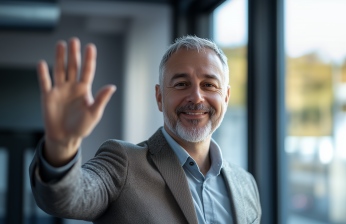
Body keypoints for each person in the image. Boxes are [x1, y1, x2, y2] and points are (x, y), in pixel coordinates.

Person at [29, 36, 261, 224]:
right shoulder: (122, 162)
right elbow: (66, 198)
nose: (196, 97)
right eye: (181, 84)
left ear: (226, 97)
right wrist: (60, 147)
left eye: (209, 85)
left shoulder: (246, 183)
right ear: (160, 97)